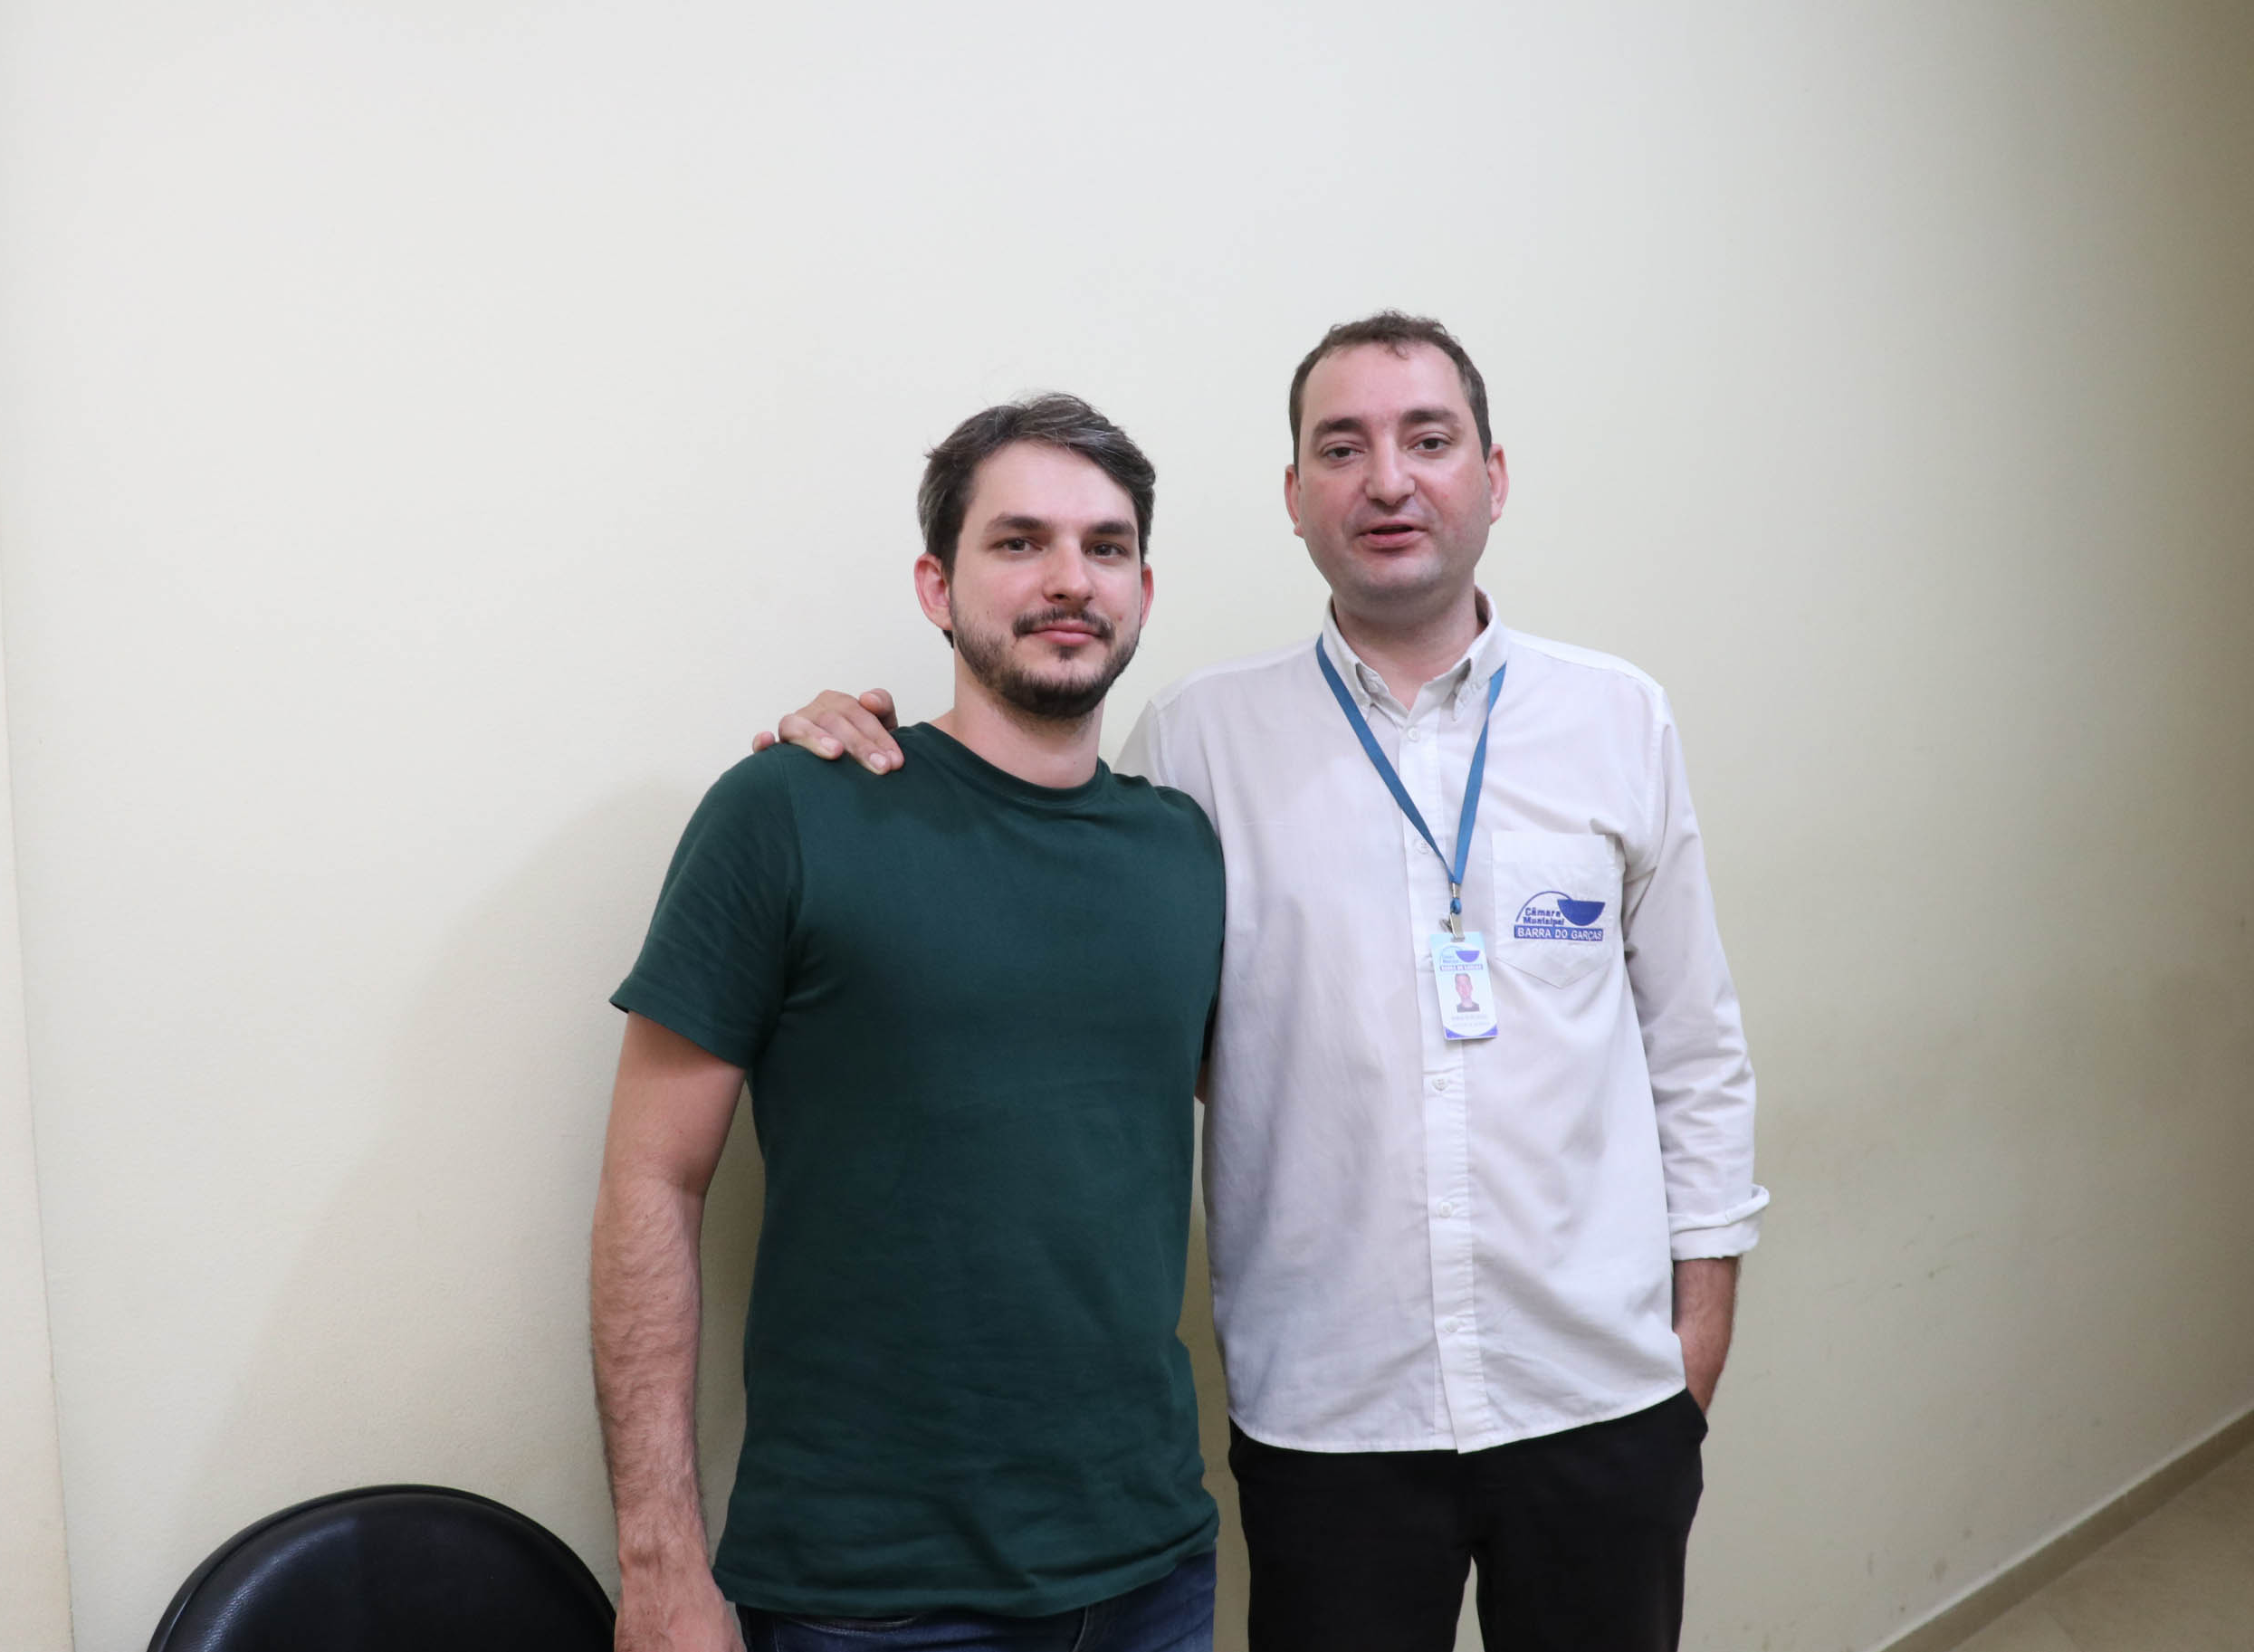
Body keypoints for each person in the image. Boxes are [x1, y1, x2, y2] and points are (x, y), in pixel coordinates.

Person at [764, 312, 1767, 1652]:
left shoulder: (1617, 717)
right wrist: (846, 747)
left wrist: (1689, 1359)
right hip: (1330, 1419)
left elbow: (1693, 1050)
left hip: (1598, 1396)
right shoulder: (1194, 739)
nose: (1387, 479)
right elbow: (1069, 925)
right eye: (1340, 448)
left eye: (1428, 439)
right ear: (1294, 497)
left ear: (1492, 476)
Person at [592, 394, 1223, 1652]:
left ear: (1142, 592)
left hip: (1150, 1573)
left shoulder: (1185, 852)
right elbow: (650, 1181)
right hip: (871, 1593)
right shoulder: (790, 809)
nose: (1068, 578)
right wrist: (660, 1561)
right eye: (1018, 542)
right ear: (937, 586)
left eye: (1104, 547)